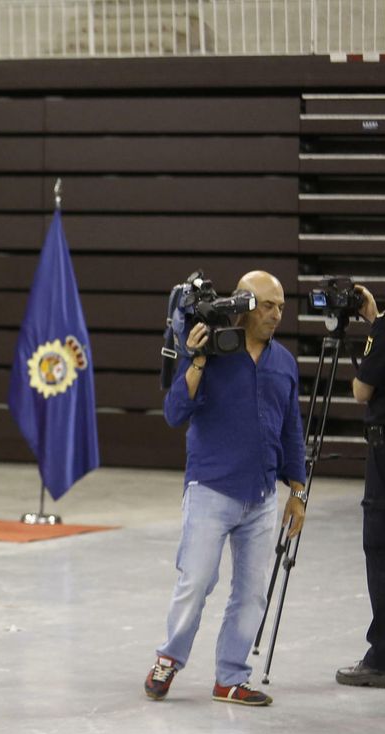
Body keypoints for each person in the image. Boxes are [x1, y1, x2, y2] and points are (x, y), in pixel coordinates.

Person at [144, 271, 307, 707]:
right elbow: (175, 412)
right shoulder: (210, 352)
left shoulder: (284, 362)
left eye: (281, 306)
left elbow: (292, 428)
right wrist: (195, 360)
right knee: (196, 581)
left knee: (252, 592)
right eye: (268, 305)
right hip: (211, 489)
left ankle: (231, 678)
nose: (277, 314)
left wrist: (299, 490)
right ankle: (168, 659)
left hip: (262, 496)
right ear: (244, 305)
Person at [338, 247, 385, 688]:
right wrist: (375, 320)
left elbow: (363, 390)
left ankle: (382, 657)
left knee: (382, 547)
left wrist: (375, 327)